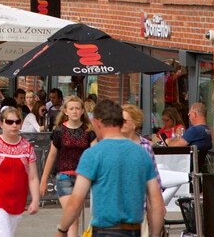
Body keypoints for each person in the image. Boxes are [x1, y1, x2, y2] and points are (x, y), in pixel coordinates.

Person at [56, 99, 165, 237]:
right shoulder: (142, 153)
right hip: (134, 229)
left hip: (104, 229)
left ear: (97, 122)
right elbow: (156, 202)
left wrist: (62, 229)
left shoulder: (93, 154)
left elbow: (76, 200)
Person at [0, 106, 40, 236]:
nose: (14, 125)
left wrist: (35, 199)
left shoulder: (27, 147)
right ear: (1, 123)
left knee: (8, 233)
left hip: (17, 201)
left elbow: (33, 177)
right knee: (3, 234)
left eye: (17, 122)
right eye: (10, 122)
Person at [40, 95, 97, 237]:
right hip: (64, 176)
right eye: (71, 108)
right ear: (65, 111)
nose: (75, 111)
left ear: (83, 111)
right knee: (72, 217)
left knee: (74, 216)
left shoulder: (88, 131)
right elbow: (52, 155)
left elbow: (95, 154)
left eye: (78, 108)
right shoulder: (59, 131)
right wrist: (43, 179)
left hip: (82, 177)